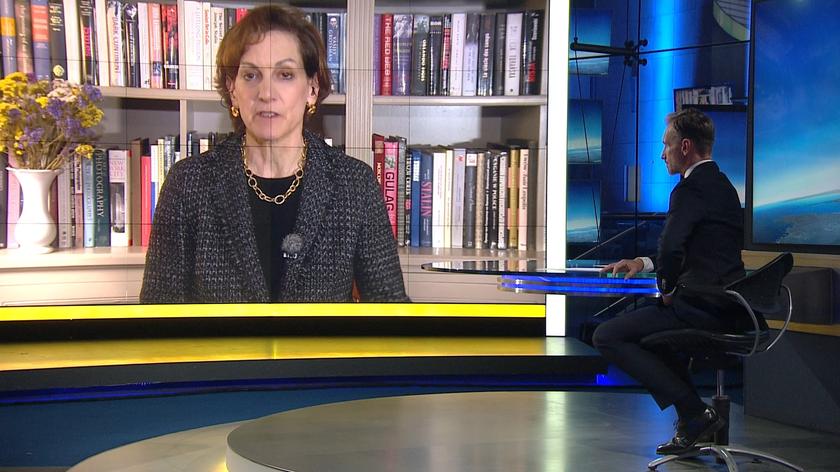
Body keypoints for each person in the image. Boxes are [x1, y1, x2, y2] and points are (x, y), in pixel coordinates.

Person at [141, 5, 408, 303]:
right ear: (232, 90)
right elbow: (157, 314)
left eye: (285, 74)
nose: (266, 93)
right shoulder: (188, 183)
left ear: (312, 88)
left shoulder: (354, 183)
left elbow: (391, 309)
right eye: (251, 75)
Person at [592, 108, 746, 455]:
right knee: (650, 336)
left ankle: (694, 413)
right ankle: (693, 418)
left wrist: (667, 290)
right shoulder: (723, 185)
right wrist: (642, 262)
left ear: (685, 146)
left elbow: (672, 248)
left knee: (608, 335)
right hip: (729, 308)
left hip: (702, 307)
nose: (663, 154)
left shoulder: (689, 189)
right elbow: (696, 247)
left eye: (667, 145)